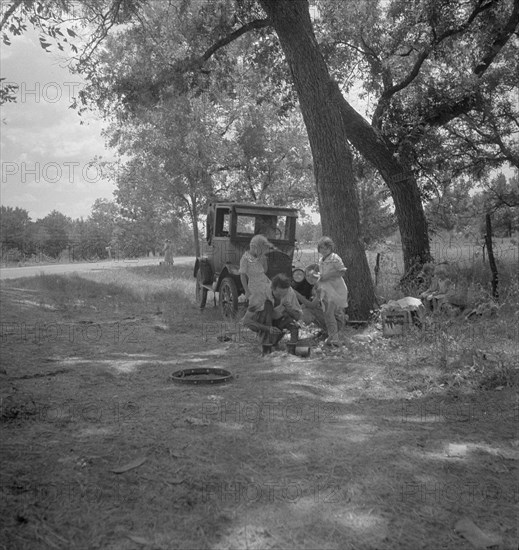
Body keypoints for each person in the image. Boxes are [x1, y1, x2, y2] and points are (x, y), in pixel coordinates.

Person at [242, 274, 302, 347]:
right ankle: (264, 338)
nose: (281, 297)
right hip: (262, 321)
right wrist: (267, 328)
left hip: (278, 320)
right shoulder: (261, 293)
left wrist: (290, 310)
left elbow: (298, 317)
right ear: (272, 288)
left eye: (284, 295)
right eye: (278, 294)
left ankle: (291, 347)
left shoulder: (290, 292)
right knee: (268, 304)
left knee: (293, 324)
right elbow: (246, 321)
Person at [315, 237, 348, 346]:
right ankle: (332, 336)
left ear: (330, 248)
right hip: (326, 290)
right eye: (321, 248)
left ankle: (335, 338)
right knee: (327, 314)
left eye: (326, 248)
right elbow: (323, 275)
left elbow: (342, 271)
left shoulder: (335, 258)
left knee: (330, 313)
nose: (323, 250)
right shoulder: (321, 260)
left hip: (336, 290)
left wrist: (328, 276)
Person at [239, 234, 273, 311]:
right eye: (261, 250)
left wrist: (264, 261)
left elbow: (264, 271)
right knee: (259, 302)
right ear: (254, 247)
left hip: (264, 281)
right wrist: (246, 291)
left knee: (276, 292)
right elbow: (242, 276)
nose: (262, 252)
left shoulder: (260, 257)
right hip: (254, 284)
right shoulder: (245, 259)